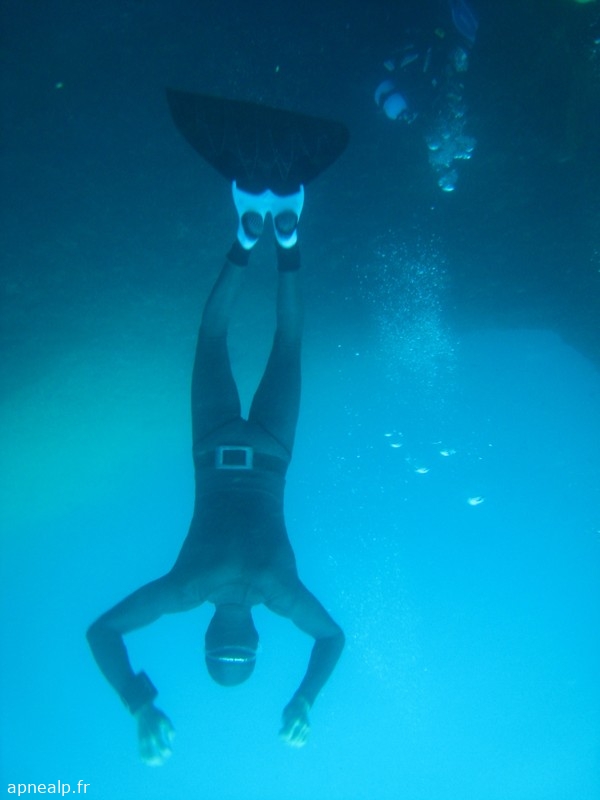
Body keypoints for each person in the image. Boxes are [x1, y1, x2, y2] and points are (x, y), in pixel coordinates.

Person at [86, 184, 345, 765]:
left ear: (256, 639)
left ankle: (287, 239)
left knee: (288, 340)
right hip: (214, 447)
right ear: (207, 637)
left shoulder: (280, 593)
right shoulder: (188, 588)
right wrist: (139, 705)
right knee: (213, 335)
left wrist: (304, 698)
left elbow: (332, 640)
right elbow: (102, 633)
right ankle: (246, 237)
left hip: (272, 452)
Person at [374, 0, 478, 191]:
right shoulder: (408, 75)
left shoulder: (416, 82)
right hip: (428, 30)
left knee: (467, 40)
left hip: (437, 33)